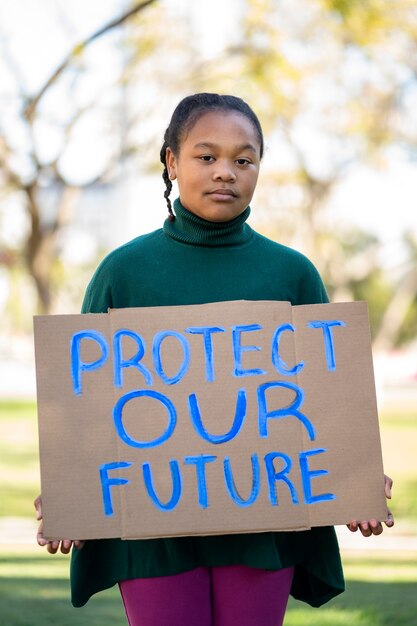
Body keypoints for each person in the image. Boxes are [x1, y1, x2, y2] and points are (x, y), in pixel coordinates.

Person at [35, 92, 394, 626]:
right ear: (171, 162)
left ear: (257, 169)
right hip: (152, 528)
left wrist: (356, 475)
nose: (225, 172)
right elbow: (87, 398)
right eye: (207, 157)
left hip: (263, 521)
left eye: (243, 159)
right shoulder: (122, 272)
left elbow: (326, 395)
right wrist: (72, 490)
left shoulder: (292, 272)